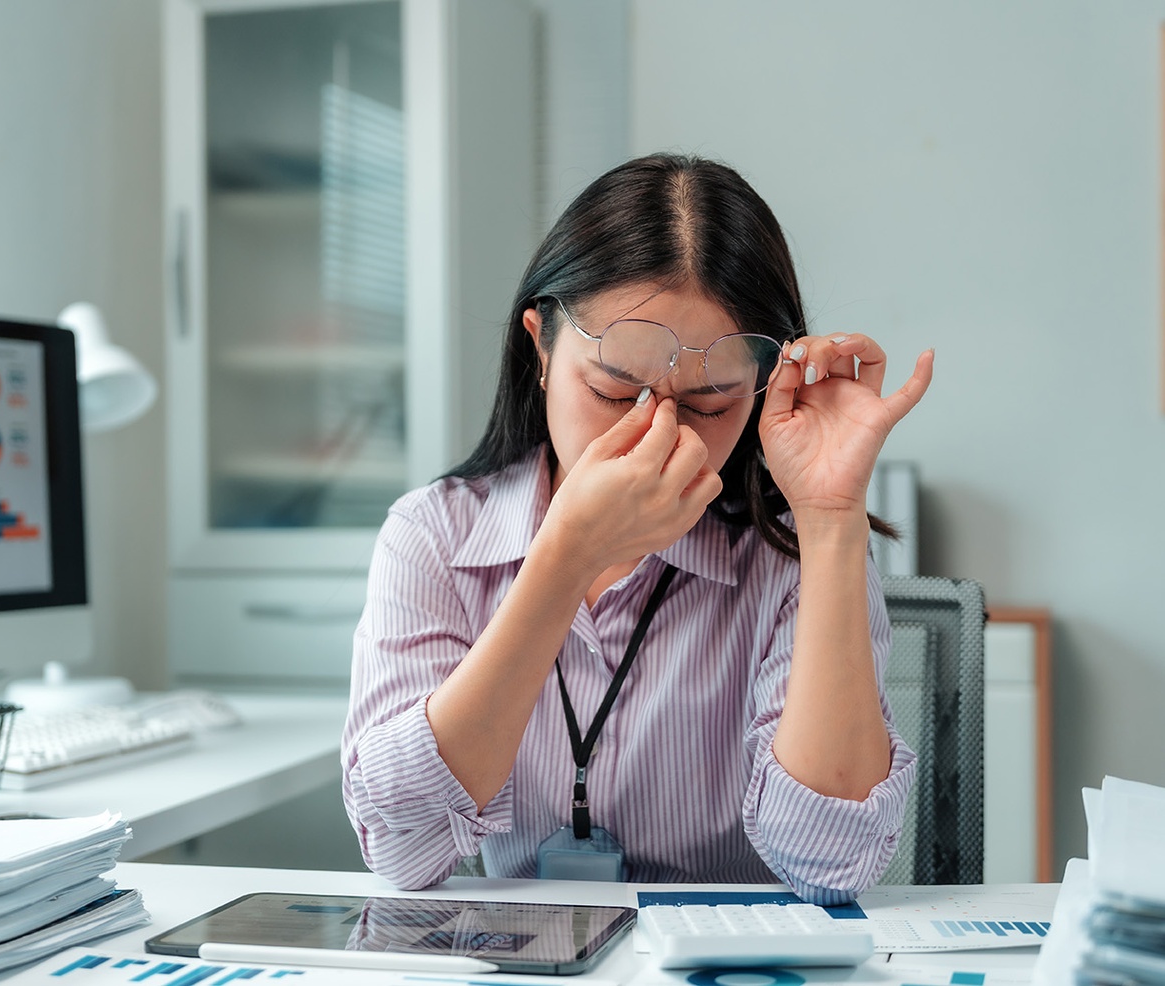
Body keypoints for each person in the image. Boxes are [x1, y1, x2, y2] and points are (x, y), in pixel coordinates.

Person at [340, 152, 934, 903]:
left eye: (711, 404)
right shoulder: (433, 535)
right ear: (542, 350)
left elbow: (832, 866)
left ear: (761, 390)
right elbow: (400, 847)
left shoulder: (789, 555)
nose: (661, 436)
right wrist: (563, 557)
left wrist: (830, 517)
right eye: (614, 391)